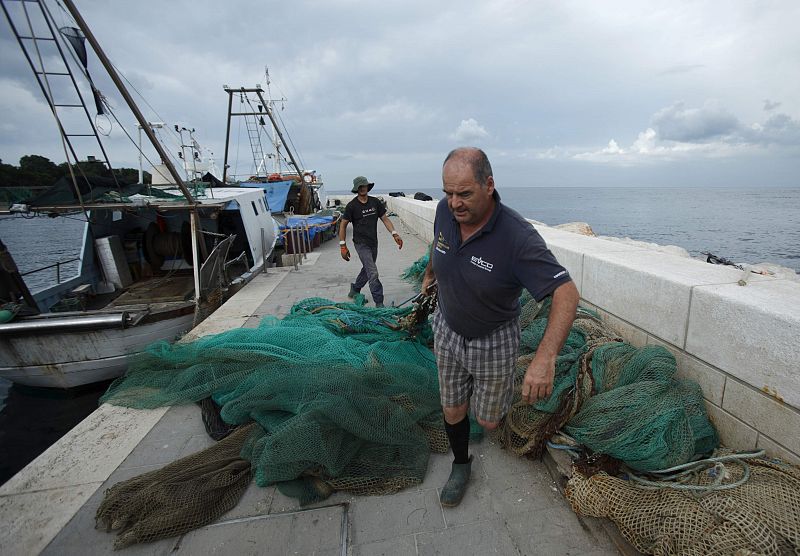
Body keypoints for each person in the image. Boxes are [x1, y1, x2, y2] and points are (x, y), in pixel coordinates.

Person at [421, 147, 579, 507]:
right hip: (447, 328)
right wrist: (432, 272)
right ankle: (461, 464)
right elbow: (439, 242)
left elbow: (566, 293)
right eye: (448, 193)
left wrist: (544, 359)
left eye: (464, 194)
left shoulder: (517, 238)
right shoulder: (445, 214)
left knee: (489, 422)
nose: (454, 203)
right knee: (452, 408)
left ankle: (490, 398)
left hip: (494, 339)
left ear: (489, 185)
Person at [339, 176, 403, 307]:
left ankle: (355, 288)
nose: (363, 188)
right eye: (360, 186)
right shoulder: (352, 206)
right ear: (357, 189)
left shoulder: (375, 202)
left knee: (368, 268)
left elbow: (385, 219)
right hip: (360, 243)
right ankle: (379, 302)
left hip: (373, 243)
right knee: (373, 272)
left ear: (368, 187)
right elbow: (343, 225)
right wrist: (343, 246)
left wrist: (394, 234)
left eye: (365, 186)